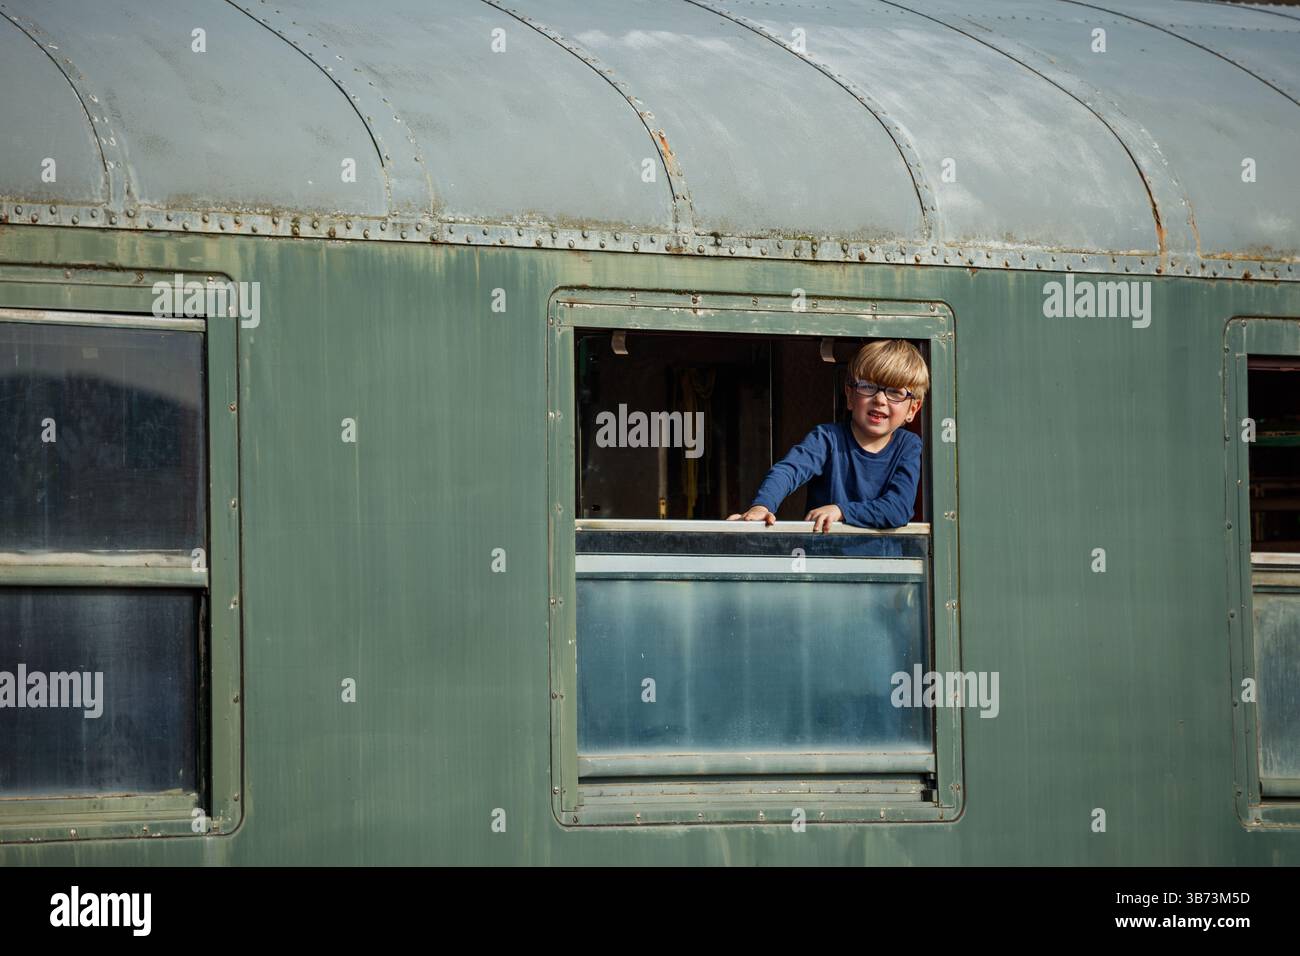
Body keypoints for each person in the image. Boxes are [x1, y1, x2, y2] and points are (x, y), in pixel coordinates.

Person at [728, 339, 927, 532]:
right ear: (849, 396)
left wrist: (842, 510)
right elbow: (788, 471)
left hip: (883, 564)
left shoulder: (908, 445)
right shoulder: (826, 438)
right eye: (868, 386)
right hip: (826, 560)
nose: (880, 399)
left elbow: (898, 508)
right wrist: (763, 506)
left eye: (895, 392)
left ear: (913, 409)